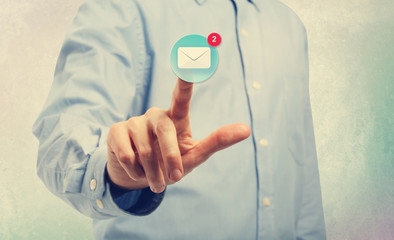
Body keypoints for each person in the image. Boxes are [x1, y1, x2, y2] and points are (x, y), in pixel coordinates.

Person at [33, 0, 326, 239]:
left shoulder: (288, 24)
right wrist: (115, 174)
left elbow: (302, 170)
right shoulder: (120, 8)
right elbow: (60, 142)